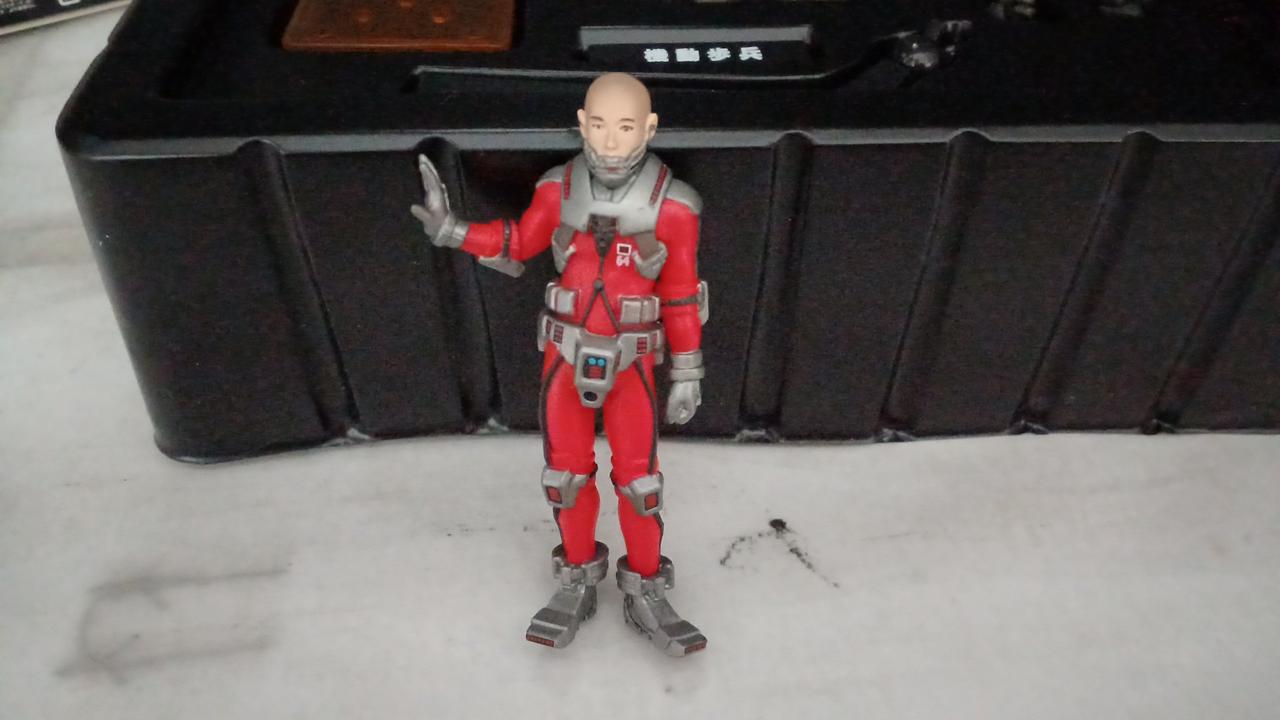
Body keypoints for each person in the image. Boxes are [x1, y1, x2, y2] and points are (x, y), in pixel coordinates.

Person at [412, 72, 709, 657]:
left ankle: (647, 588)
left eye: (626, 127)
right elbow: (519, 243)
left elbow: (679, 295)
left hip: (632, 361)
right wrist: (453, 230)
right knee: (565, 479)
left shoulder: (674, 207)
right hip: (565, 355)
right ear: (581, 124)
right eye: (599, 125)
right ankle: (577, 578)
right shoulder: (557, 189)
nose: (611, 141)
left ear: (649, 129)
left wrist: (688, 371)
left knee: (640, 485)